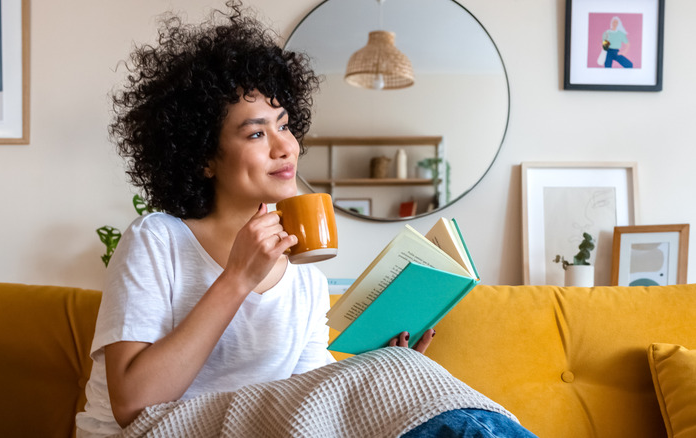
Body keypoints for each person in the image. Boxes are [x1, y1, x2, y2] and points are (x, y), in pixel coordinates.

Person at [76, 2, 536, 437]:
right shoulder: (157, 240)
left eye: (284, 124)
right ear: (203, 158)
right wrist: (237, 279)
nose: (285, 147)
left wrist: (381, 365)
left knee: (403, 374)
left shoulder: (305, 281)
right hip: (156, 430)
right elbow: (133, 404)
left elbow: (311, 414)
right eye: (256, 133)